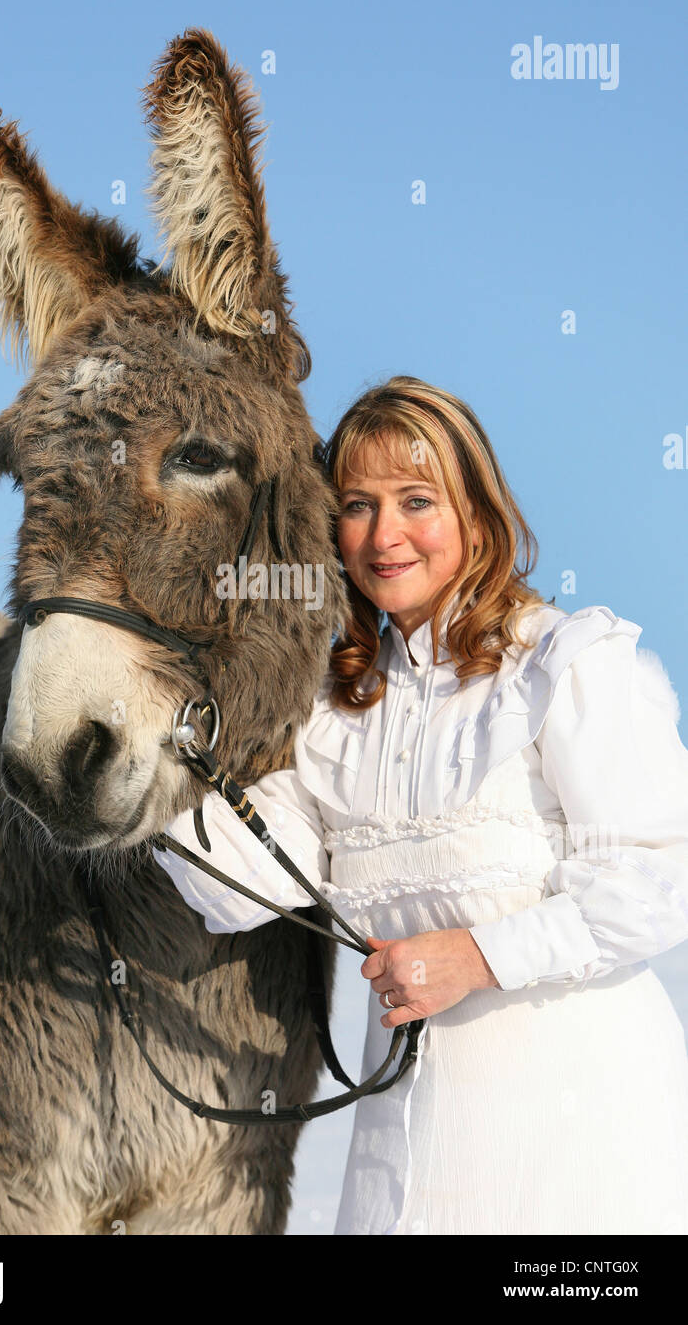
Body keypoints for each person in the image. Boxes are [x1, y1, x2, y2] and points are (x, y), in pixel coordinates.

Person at [152, 375, 688, 1235]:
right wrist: (151, 724)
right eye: (357, 505)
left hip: (581, 1141)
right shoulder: (334, 709)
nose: (383, 534)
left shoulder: (562, 663)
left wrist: (479, 956)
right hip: (402, 1144)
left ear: (477, 515)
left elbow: (661, 878)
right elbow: (236, 877)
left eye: (416, 500)